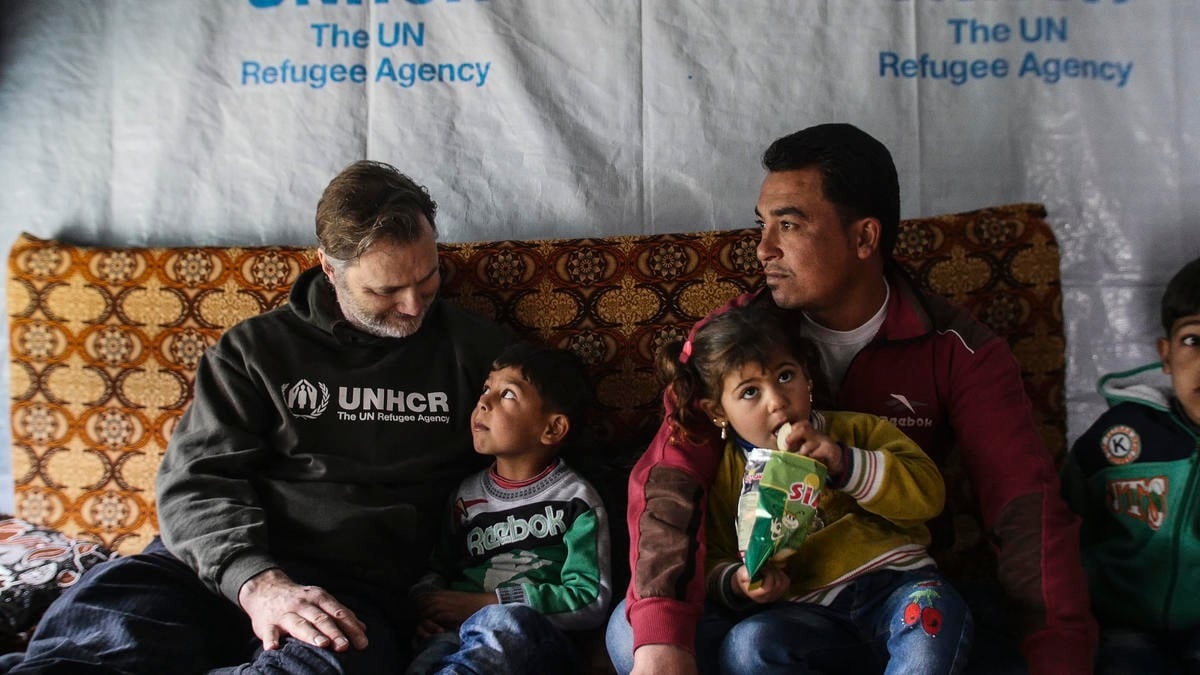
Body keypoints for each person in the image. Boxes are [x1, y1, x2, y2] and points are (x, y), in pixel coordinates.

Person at [608, 123, 1097, 675]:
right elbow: (670, 482)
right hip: (781, 609)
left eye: (788, 224)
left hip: (889, 594)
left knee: (942, 624)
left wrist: (1060, 656)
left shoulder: (959, 350)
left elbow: (1025, 509)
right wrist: (669, 638)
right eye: (762, 224)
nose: (763, 248)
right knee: (634, 634)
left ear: (865, 238)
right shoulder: (736, 339)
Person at [1, 160, 514, 673]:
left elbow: (550, 461)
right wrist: (257, 583)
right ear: (329, 269)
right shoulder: (254, 352)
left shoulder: (476, 352)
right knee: (96, 627)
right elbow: (196, 482)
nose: (412, 306)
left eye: (427, 278)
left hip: (354, 590)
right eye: (384, 292)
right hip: (213, 571)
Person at [665, 301, 972, 673]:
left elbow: (929, 493)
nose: (777, 402)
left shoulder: (855, 431)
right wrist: (740, 582)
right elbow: (713, 557)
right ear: (717, 412)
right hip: (808, 616)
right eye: (750, 392)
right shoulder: (727, 476)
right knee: (746, 646)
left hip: (899, 589)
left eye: (784, 376)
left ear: (807, 378)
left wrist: (846, 463)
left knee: (931, 616)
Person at [404, 341, 612, 674]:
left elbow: (590, 597)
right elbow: (439, 568)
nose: (483, 401)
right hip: (455, 634)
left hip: (533, 641)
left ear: (552, 428)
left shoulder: (575, 499)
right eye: (487, 389)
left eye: (508, 395)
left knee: (500, 622)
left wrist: (489, 604)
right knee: (428, 660)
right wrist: (427, 607)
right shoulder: (465, 495)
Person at [1060, 255, 1200, 675]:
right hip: (1117, 623)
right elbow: (1057, 520)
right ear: (1166, 354)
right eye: (1193, 340)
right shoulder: (1122, 436)